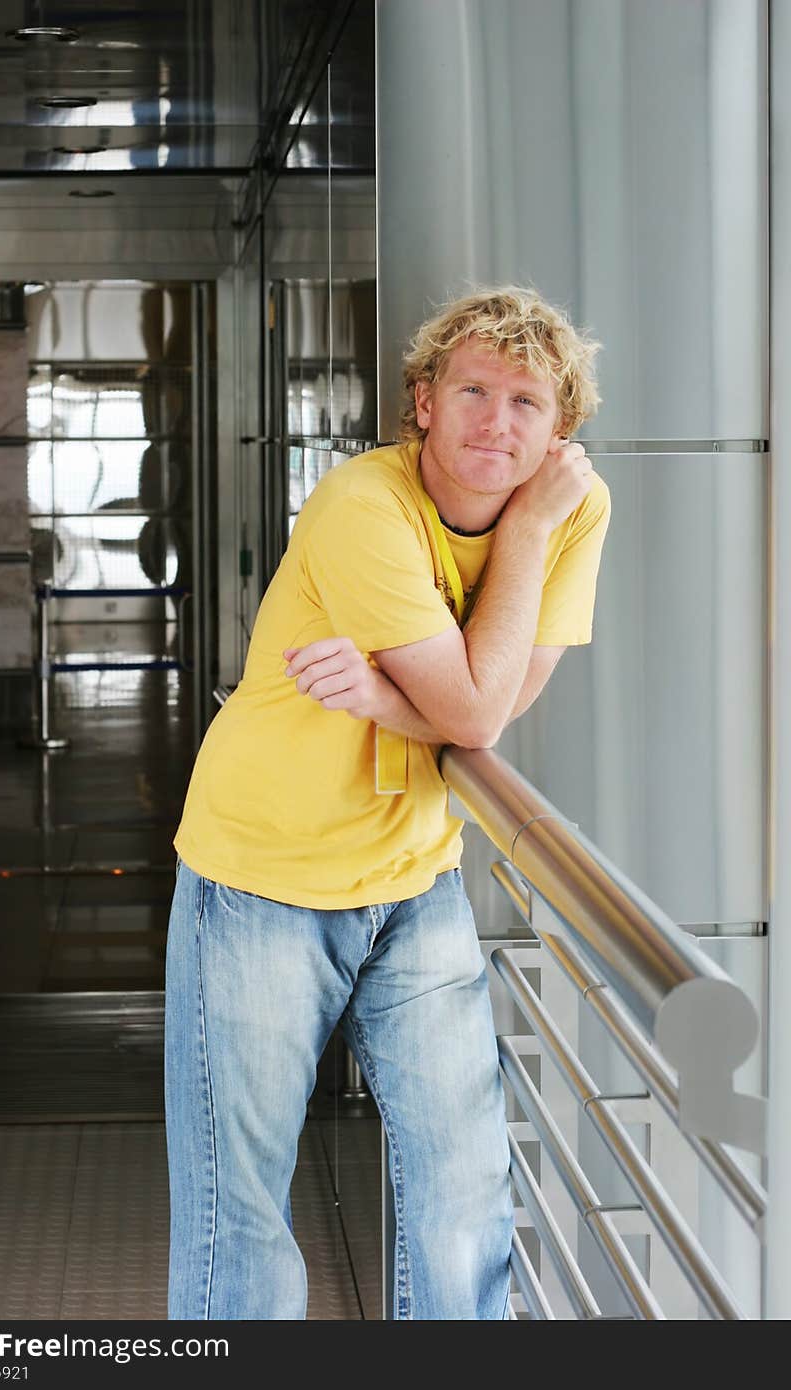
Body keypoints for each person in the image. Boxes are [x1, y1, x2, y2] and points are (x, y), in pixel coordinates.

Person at [164, 285, 611, 1320]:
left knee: (465, 1198)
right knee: (241, 1217)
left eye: (526, 404)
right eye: (472, 390)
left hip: (413, 876)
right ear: (422, 401)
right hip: (262, 877)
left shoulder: (570, 508)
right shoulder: (362, 504)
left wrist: (385, 695)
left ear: (560, 434)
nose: (496, 421)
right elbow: (473, 712)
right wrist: (444, 706)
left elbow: (493, 709)